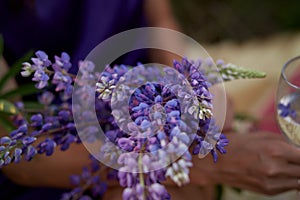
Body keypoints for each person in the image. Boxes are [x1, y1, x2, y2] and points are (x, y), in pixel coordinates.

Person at [1, 1, 300, 200]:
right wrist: (196, 162)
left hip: (145, 92)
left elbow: (160, 20)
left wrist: (190, 84)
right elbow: (24, 159)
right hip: (61, 156)